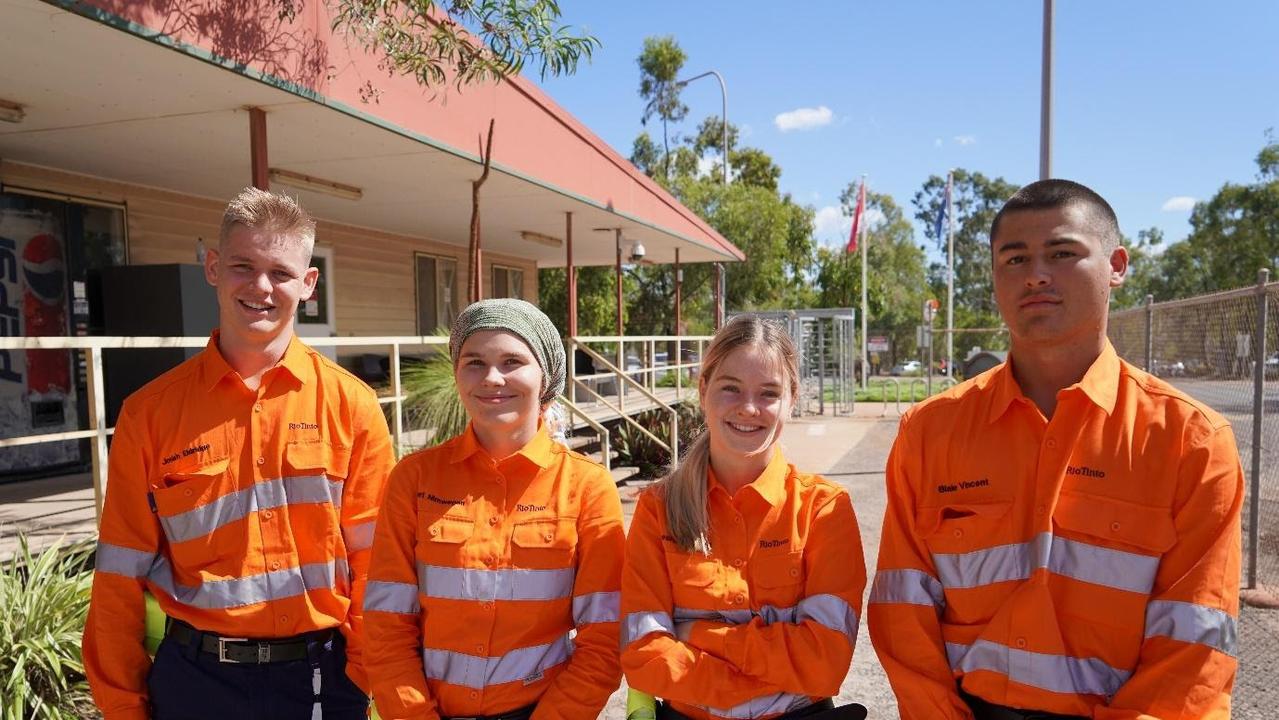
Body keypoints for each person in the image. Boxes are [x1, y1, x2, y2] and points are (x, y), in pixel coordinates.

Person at [869, 179, 1243, 719]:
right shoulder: (930, 433)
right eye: (1014, 258)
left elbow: (1194, 650)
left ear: (1116, 265)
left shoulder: (1191, 442)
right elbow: (903, 612)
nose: (1036, 274)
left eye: (1063, 253)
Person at [84, 187, 395, 719]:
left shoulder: (352, 405)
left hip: (323, 678)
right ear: (211, 266)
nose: (260, 287)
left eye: (281, 271)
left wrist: (365, 674)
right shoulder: (150, 414)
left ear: (309, 283)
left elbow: (380, 565)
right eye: (242, 265)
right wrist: (123, 706)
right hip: (196, 683)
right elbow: (118, 578)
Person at [364, 298, 624, 720]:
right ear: (457, 373)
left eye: (511, 361)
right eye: (474, 362)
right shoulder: (413, 480)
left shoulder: (587, 487)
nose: (492, 378)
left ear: (546, 376)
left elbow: (606, 638)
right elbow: (386, 623)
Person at [621, 314, 868, 720]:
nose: (749, 408)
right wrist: (745, 681)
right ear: (703, 390)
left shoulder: (823, 509)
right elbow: (643, 652)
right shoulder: (658, 509)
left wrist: (698, 634)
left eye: (768, 393)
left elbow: (826, 662)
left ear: (792, 398)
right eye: (730, 388)